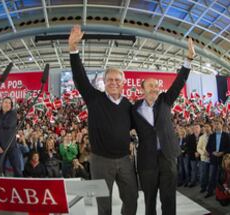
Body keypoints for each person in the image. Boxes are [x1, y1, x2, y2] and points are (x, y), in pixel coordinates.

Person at [69, 24, 138, 215]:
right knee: (104, 204)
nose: (114, 83)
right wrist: (73, 50)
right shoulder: (95, 99)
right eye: (110, 80)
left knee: (131, 197)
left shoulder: (128, 106)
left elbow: (137, 127)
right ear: (104, 82)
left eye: (118, 80)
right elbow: (80, 78)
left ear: (123, 83)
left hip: (124, 160)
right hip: (100, 161)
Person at [131, 37, 195, 215]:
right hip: (147, 162)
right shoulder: (133, 109)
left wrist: (188, 59)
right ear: (142, 89)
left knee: (169, 201)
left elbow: (179, 82)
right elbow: (123, 126)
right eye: (150, 85)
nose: (154, 88)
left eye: (156, 85)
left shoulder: (165, 100)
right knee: (149, 202)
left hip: (167, 158)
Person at [0, 96, 23, 177]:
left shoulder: (13, 113)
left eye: (9, 103)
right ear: (2, 104)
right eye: (5, 102)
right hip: (0, 147)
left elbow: (8, 124)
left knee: (17, 169)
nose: (7, 104)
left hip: (12, 146)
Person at [206, 118, 230, 198]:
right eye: (215, 124)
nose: (216, 125)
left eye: (218, 124)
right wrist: (213, 152)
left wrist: (222, 152)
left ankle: (221, 193)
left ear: (221, 125)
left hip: (223, 160)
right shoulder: (212, 136)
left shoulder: (226, 135)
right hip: (214, 159)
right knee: (211, 176)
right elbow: (208, 147)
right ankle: (210, 191)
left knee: (222, 178)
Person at [197, 122, 212, 193]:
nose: (206, 128)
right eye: (205, 127)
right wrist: (203, 153)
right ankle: (203, 187)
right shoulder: (201, 137)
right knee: (204, 174)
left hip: (212, 159)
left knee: (211, 175)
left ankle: (210, 189)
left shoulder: (213, 136)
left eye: (208, 126)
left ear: (210, 127)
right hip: (204, 159)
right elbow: (198, 148)